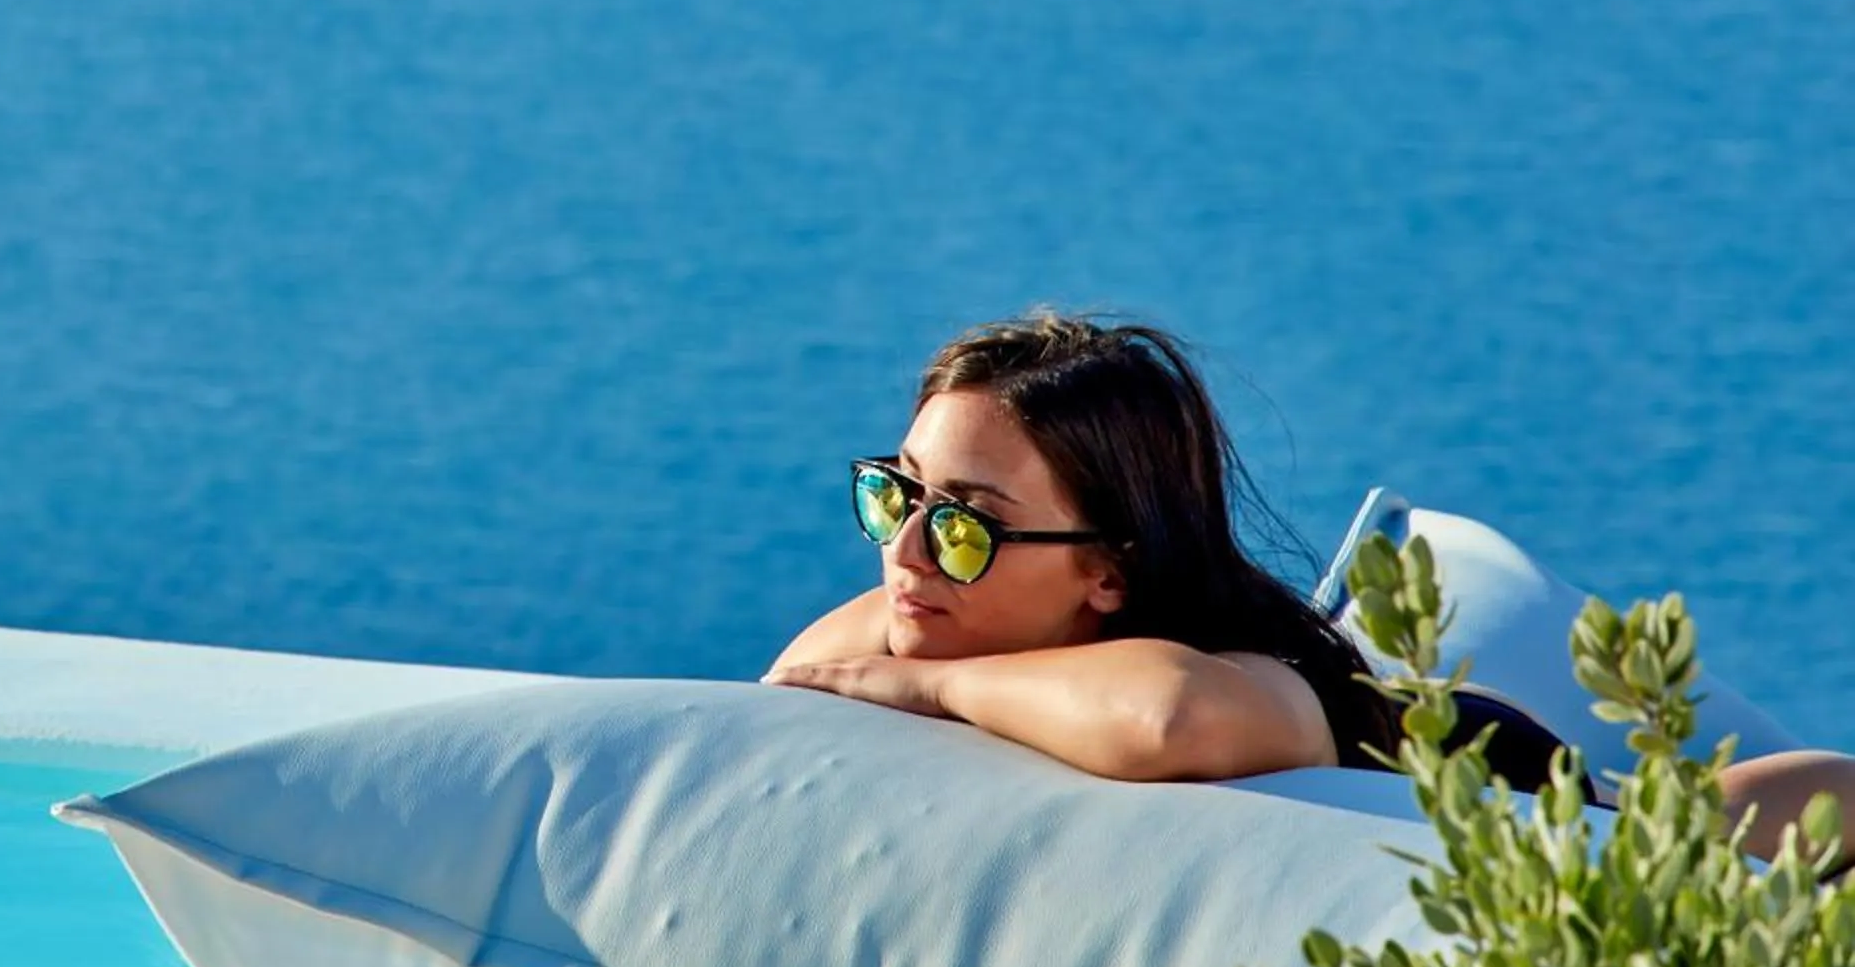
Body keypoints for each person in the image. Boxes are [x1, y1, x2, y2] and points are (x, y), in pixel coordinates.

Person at [762, 311, 1851, 874]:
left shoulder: (1248, 686)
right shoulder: (936, 596)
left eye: (966, 522)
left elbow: (1171, 717)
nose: (907, 551)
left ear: (1109, 571)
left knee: (1684, 821)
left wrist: (937, 690)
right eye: (893, 492)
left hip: (1501, 771)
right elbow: (799, 681)